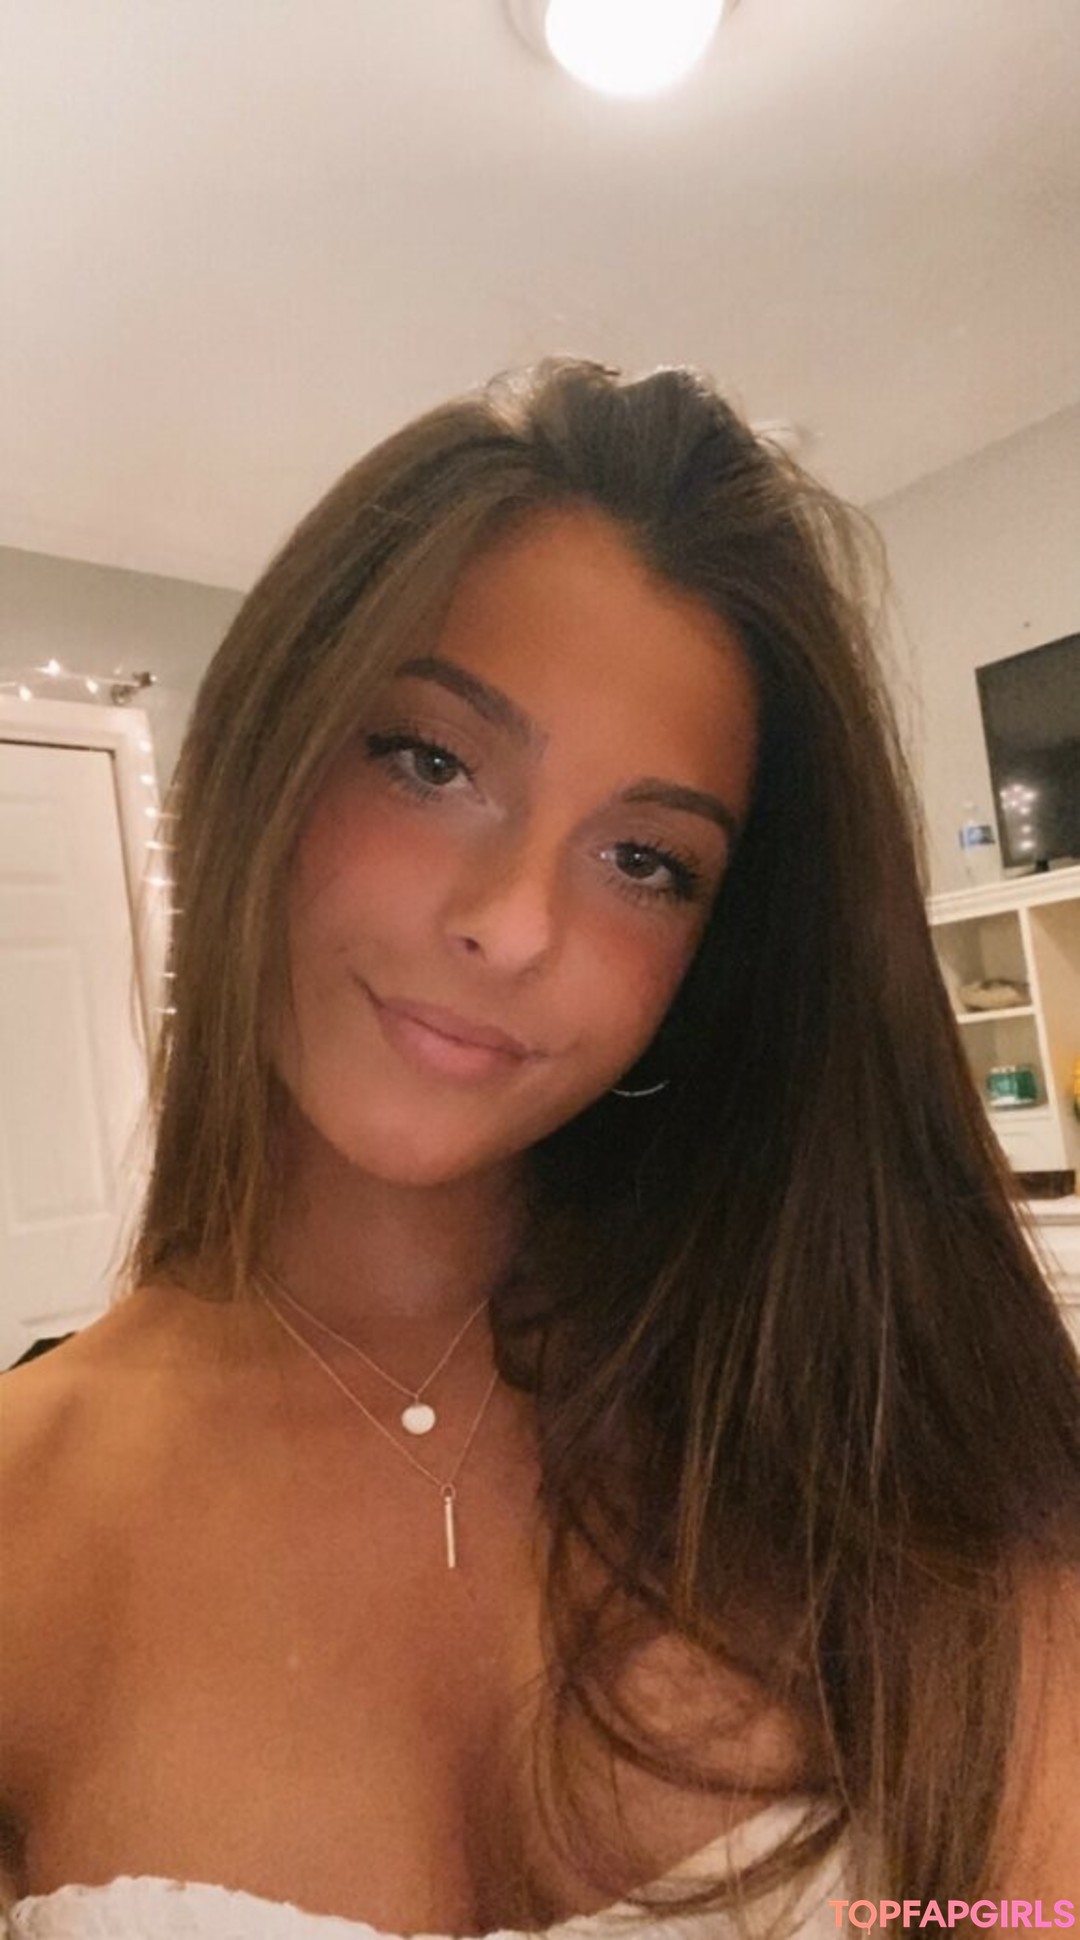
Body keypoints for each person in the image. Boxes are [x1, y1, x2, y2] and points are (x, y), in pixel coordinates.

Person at [1, 360, 1077, 1940]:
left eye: (646, 859)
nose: (512, 924)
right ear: (265, 755)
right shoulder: (27, 1515)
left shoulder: (870, 1408)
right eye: (431, 762)